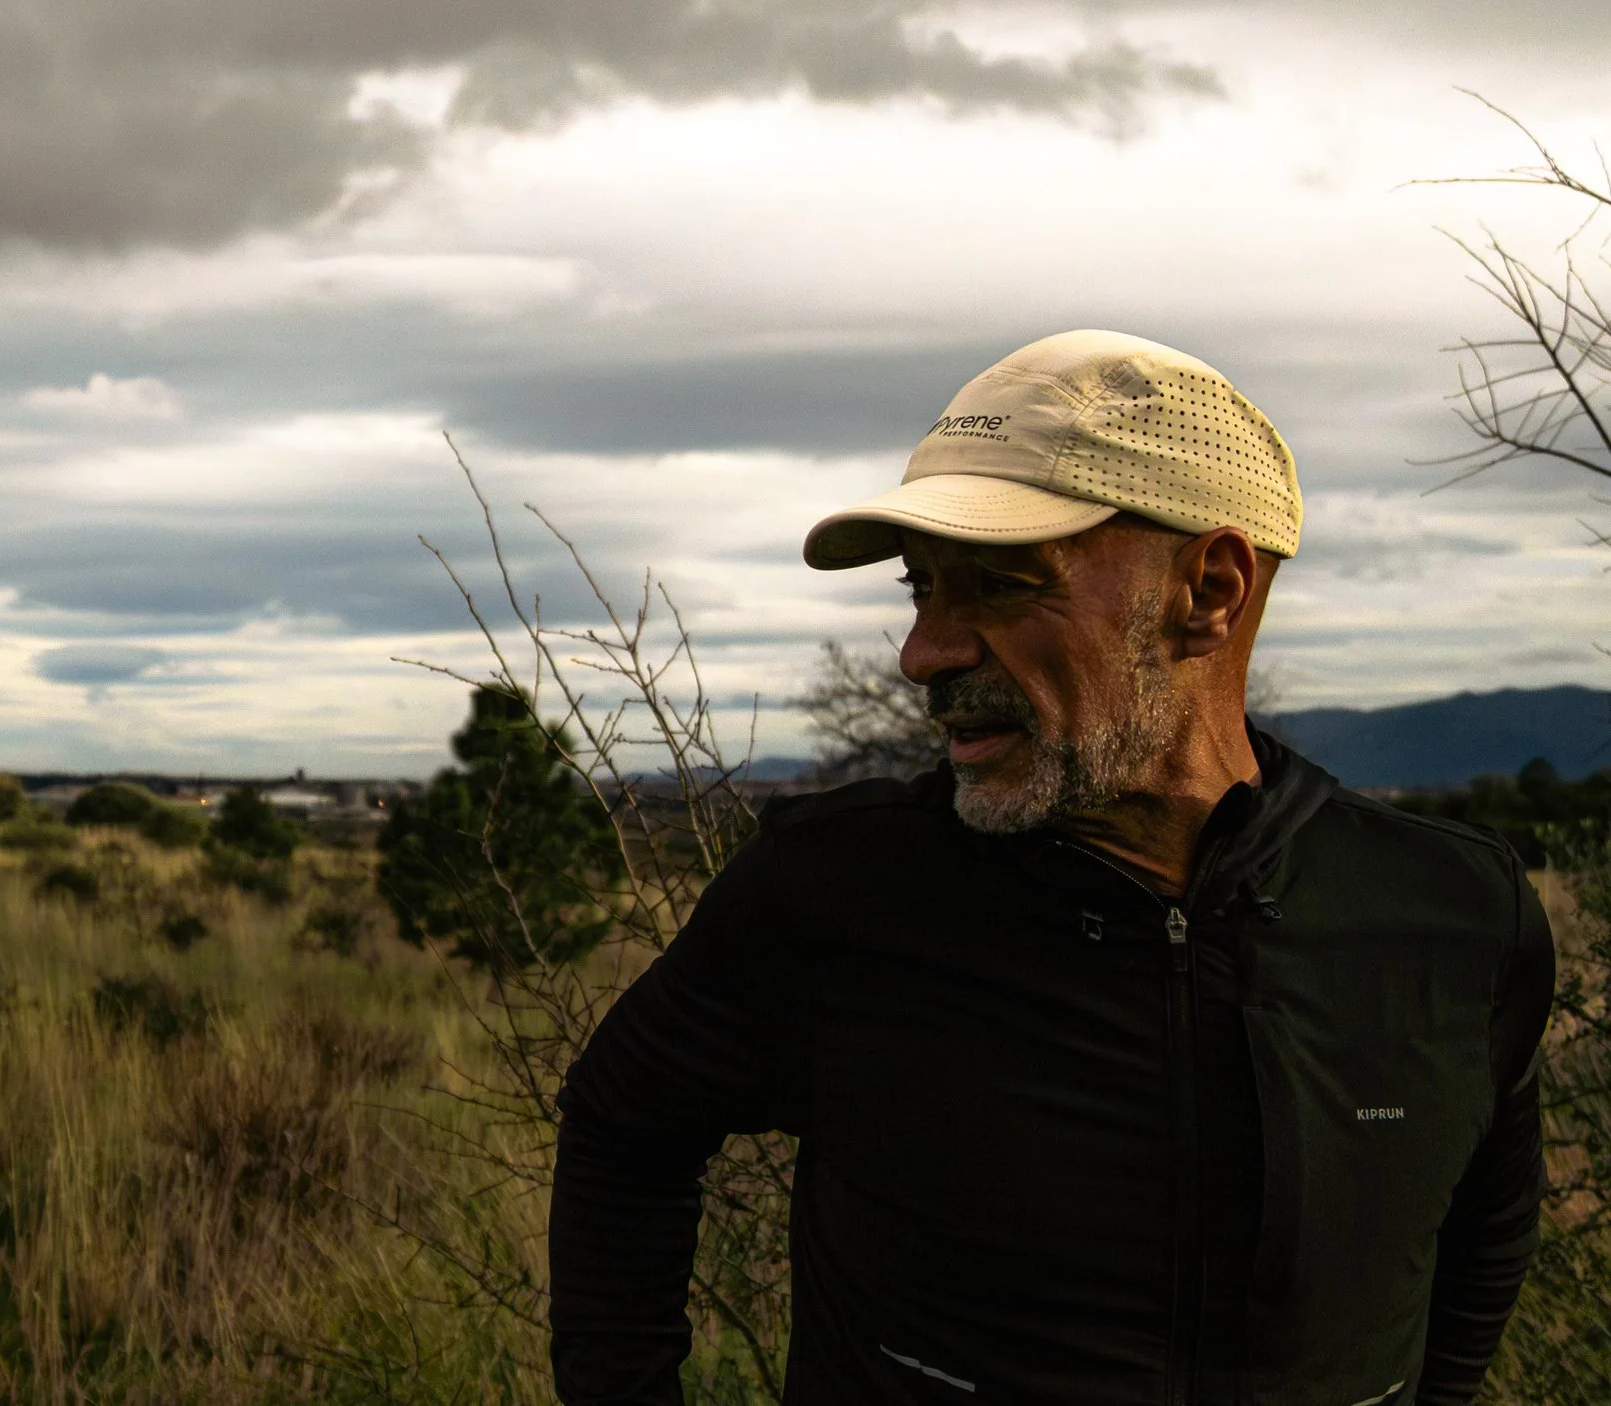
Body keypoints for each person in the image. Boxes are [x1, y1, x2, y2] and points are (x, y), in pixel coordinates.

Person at [547, 331, 1555, 1405]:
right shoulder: (837, 892)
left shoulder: (1453, 913)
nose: (922, 653)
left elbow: (1483, 1220)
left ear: (1209, 587)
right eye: (920, 589)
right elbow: (623, 1125)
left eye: (995, 584)